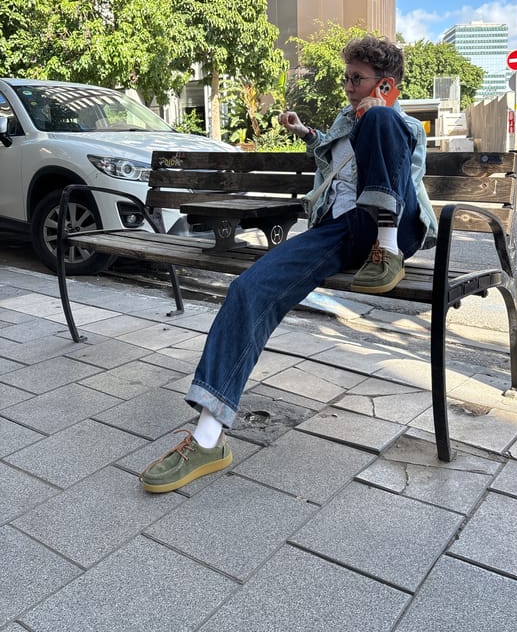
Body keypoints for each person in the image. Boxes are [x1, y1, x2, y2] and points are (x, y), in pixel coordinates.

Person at [140, 35, 437, 493]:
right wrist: (307, 134)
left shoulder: (396, 122)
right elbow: (338, 159)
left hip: (394, 226)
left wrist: (373, 114)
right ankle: (207, 439)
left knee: (377, 121)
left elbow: (396, 160)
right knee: (248, 289)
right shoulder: (348, 119)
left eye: (357, 79)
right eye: (346, 78)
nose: (348, 87)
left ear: (386, 84)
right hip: (338, 230)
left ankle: (387, 249)